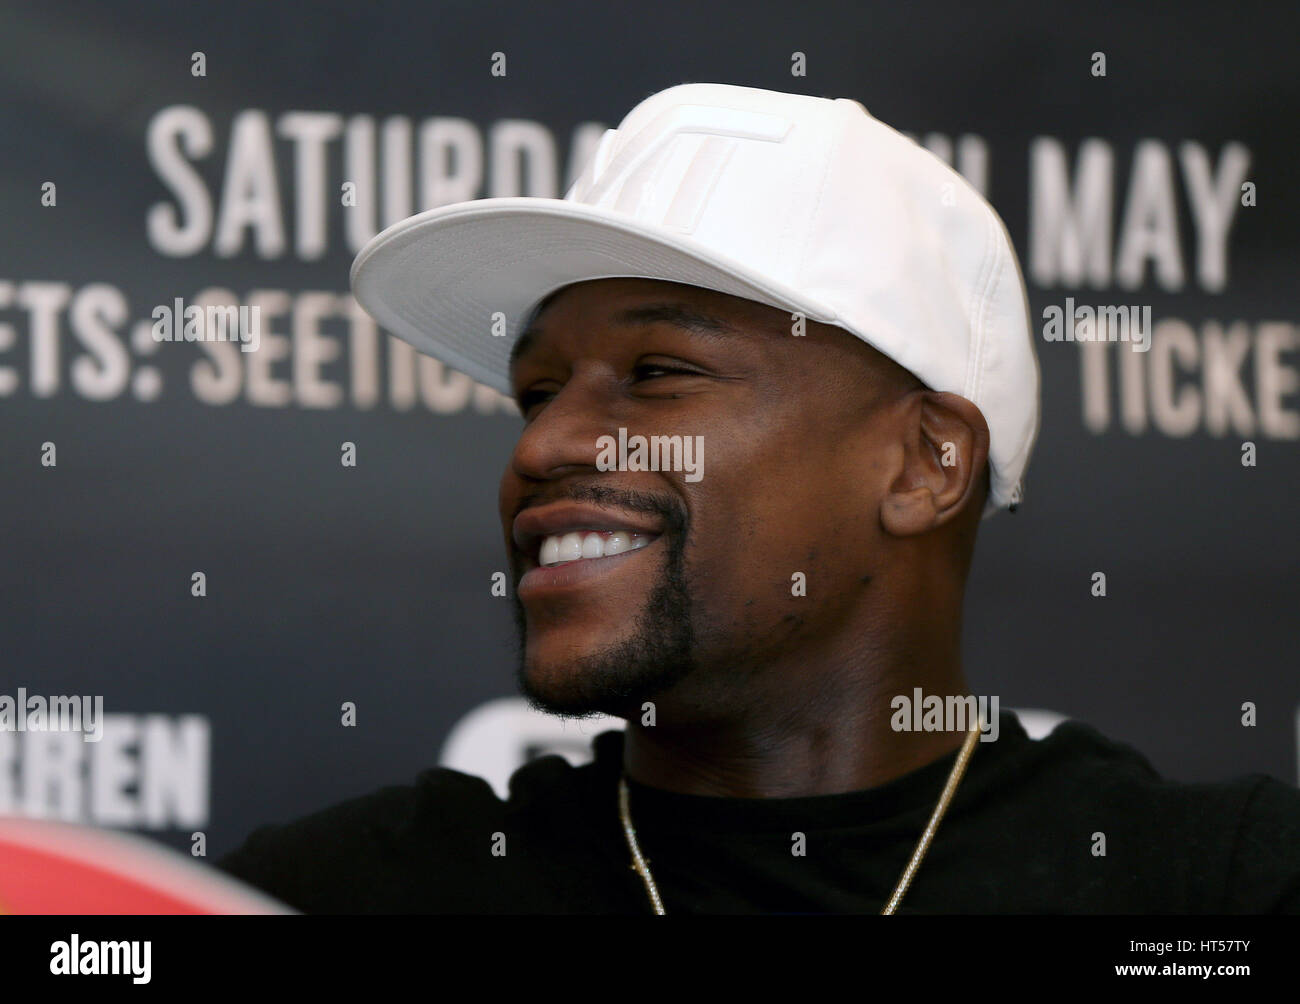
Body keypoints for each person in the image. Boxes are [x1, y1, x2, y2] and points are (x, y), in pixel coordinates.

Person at [216, 83, 1300, 914]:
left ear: (923, 464)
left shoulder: (1206, 891)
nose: (543, 442)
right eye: (537, 388)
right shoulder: (349, 895)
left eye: (656, 372)